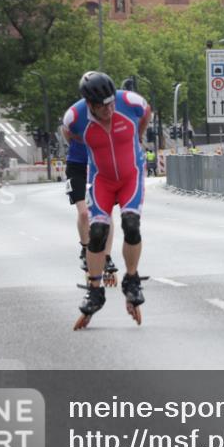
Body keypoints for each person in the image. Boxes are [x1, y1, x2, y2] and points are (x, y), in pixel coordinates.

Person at [63, 71, 151, 330]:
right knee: (97, 231)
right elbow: (71, 136)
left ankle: (132, 280)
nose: (110, 109)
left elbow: (146, 115)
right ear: (90, 105)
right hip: (101, 179)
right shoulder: (75, 118)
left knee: (131, 224)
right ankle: (94, 289)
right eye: (103, 107)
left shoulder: (132, 102)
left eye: (112, 103)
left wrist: (139, 138)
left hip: (130, 176)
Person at [61, 108, 116, 282]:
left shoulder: (109, 113)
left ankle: (106, 257)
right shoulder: (76, 114)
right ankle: (86, 249)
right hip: (76, 166)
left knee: (105, 213)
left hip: (100, 166)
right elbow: (66, 131)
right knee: (84, 213)